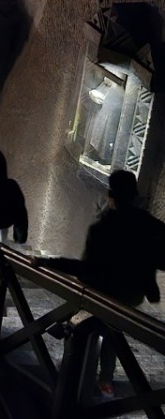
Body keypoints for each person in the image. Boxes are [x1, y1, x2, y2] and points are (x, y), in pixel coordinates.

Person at [36, 170, 165, 397]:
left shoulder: (101, 228)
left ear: (109, 194)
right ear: (134, 195)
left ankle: (72, 374)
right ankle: (105, 380)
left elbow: (86, 269)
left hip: (102, 293)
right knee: (113, 331)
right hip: (131, 295)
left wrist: (47, 262)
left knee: (90, 323)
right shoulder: (149, 225)